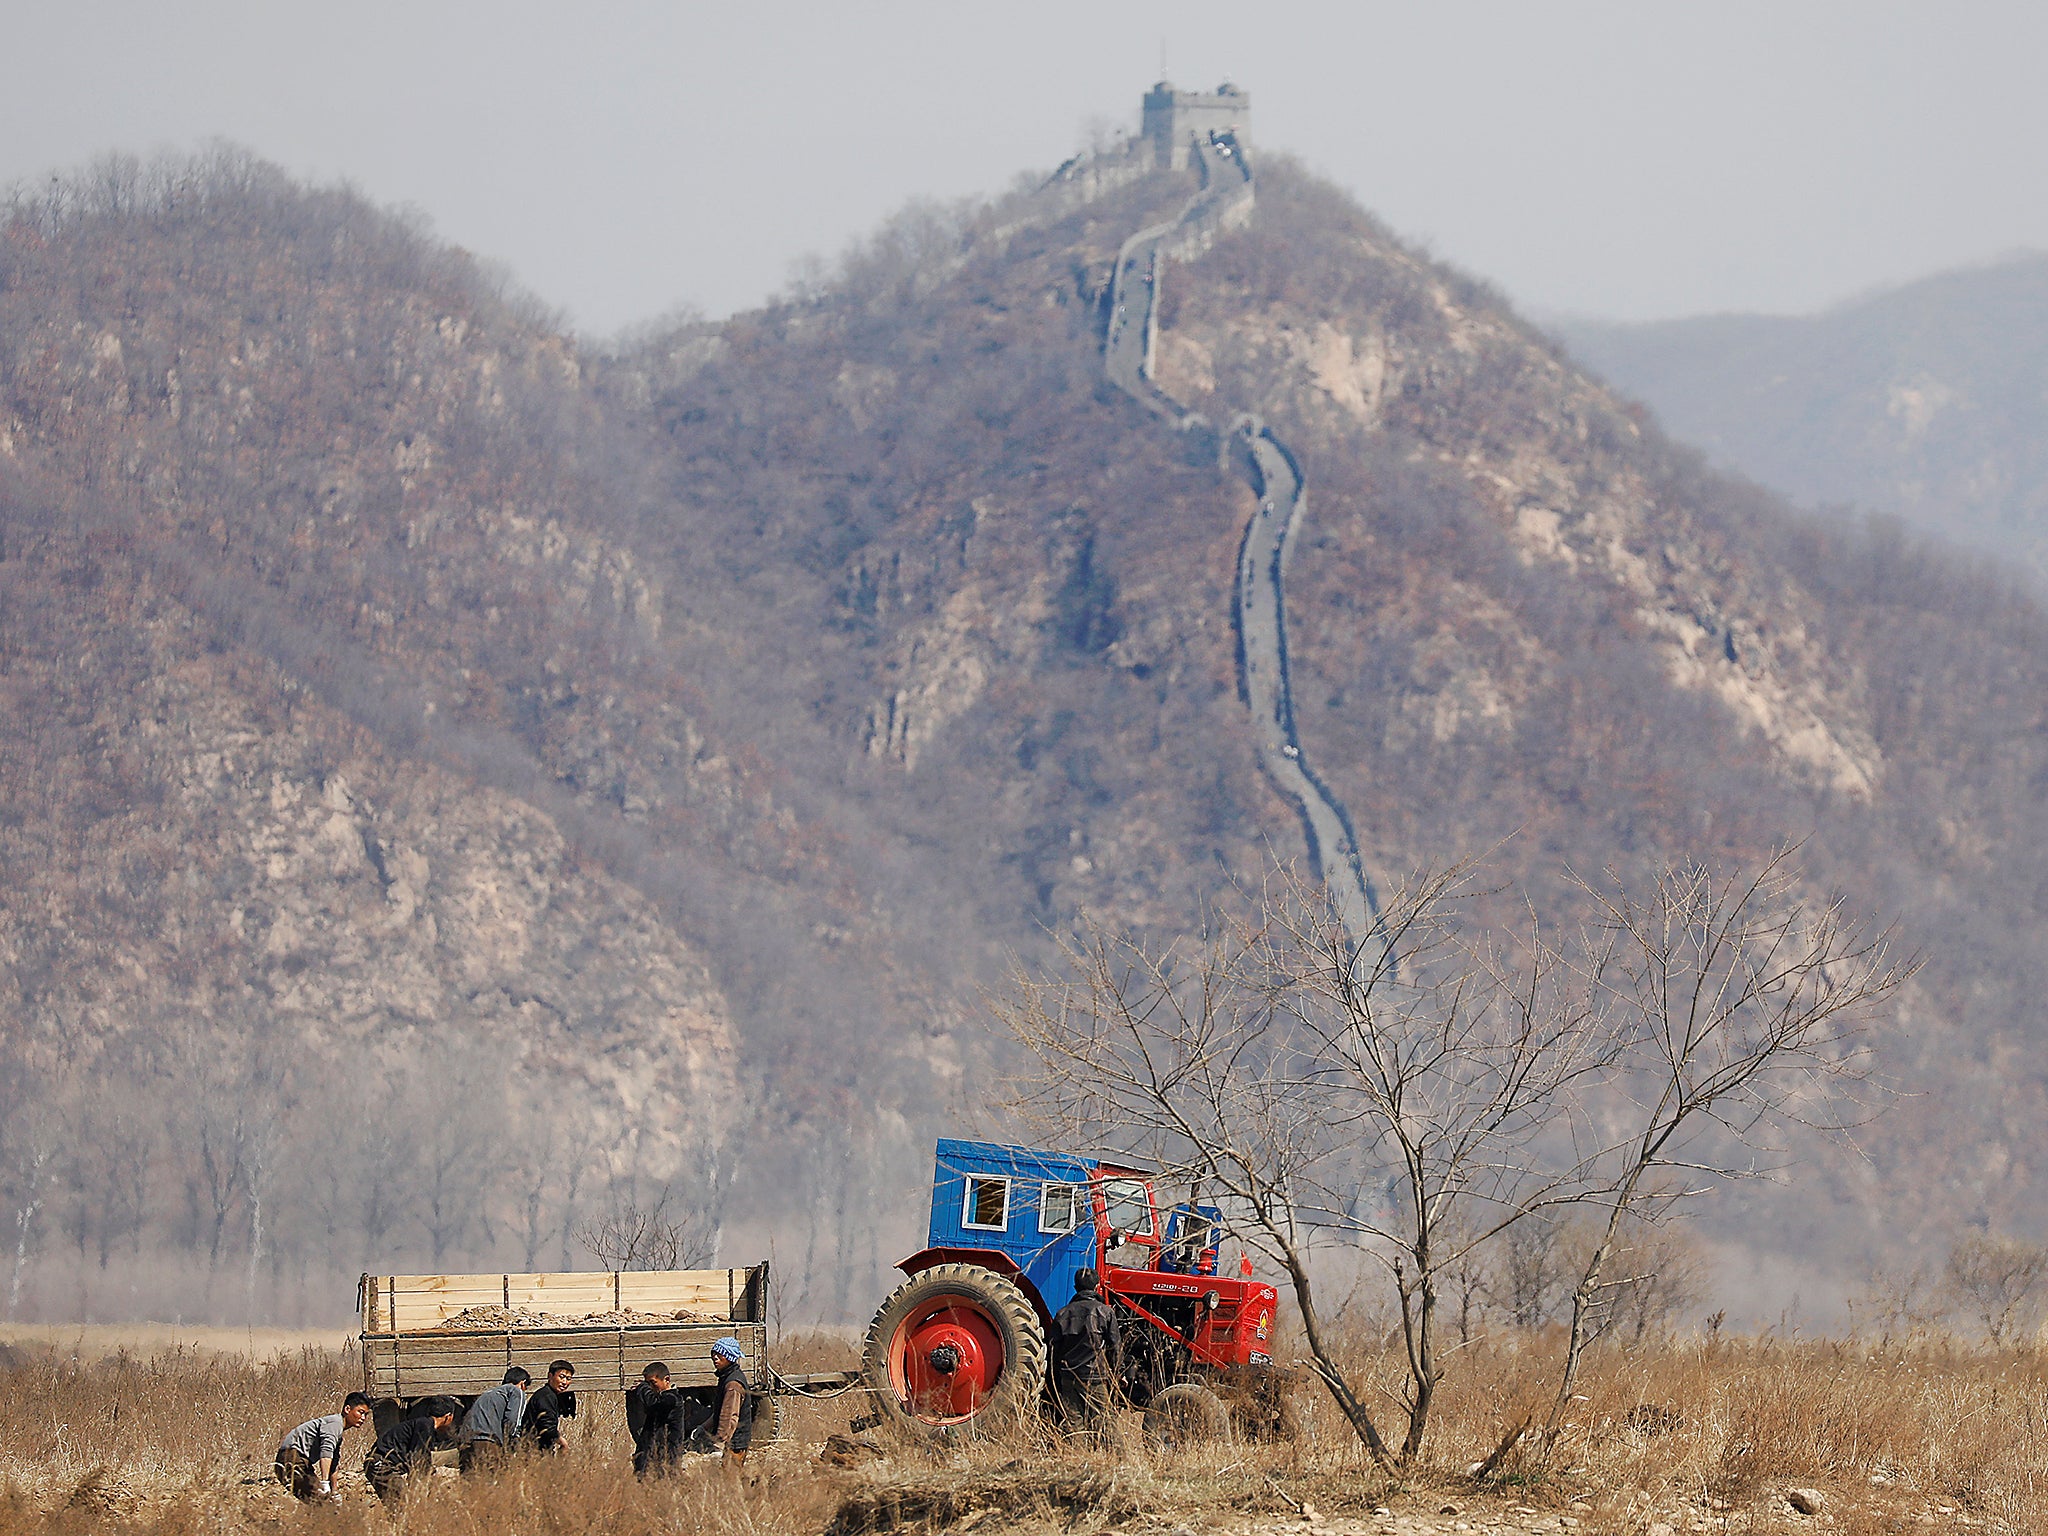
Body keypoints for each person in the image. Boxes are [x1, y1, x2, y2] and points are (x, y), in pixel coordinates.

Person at [1050, 1268, 1122, 1426]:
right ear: (1097, 1286)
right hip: (1094, 1377)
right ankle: (1117, 1452)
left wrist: (1058, 1376)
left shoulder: (1062, 1313)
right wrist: (1115, 1376)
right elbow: (1115, 1347)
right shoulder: (1106, 1312)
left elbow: (1054, 1351)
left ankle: (1077, 1451)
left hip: (1069, 1377)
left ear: (1075, 1288)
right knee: (1106, 1423)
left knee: (1073, 1423)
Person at [273, 1392, 371, 1503]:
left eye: (366, 1415)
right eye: (360, 1412)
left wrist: (334, 1492)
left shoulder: (338, 1433)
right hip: (290, 1459)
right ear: (347, 1409)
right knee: (321, 1500)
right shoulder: (335, 1424)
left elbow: (333, 1463)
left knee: (321, 1501)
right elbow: (326, 1452)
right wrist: (324, 1483)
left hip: (301, 1461)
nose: (363, 1418)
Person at [363, 1397, 459, 1504]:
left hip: (380, 1465)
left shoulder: (423, 1424)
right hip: (381, 1466)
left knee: (398, 1505)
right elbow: (418, 1460)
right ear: (448, 1417)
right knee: (403, 1504)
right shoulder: (424, 1426)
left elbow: (421, 1458)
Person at [690, 1337, 756, 1466]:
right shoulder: (725, 1377)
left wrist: (719, 1443)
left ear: (729, 1356)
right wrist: (703, 1427)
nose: (715, 1357)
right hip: (730, 1441)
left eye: (720, 1354)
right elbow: (719, 1412)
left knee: (730, 1479)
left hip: (734, 1443)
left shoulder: (733, 1384)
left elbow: (730, 1417)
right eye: (713, 1354)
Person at [457, 1366, 530, 1474]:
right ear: (523, 1383)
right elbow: (512, 1420)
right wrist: (512, 1443)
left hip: (466, 1443)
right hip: (487, 1442)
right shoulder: (516, 1391)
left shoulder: (487, 1394)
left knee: (470, 1484)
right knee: (492, 1484)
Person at [626, 1361, 689, 1476]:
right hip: (654, 1455)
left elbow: (654, 1405)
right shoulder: (662, 1398)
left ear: (667, 1380)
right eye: (648, 1383)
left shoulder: (672, 1399)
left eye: (653, 1383)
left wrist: (643, 1388)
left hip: (666, 1457)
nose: (651, 1387)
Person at [521, 1360, 577, 1451]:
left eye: (568, 1379)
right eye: (561, 1377)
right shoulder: (546, 1396)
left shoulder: (550, 1395)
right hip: (534, 1450)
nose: (564, 1382)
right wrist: (563, 1443)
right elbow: (547, 1426)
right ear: (550, 1376)